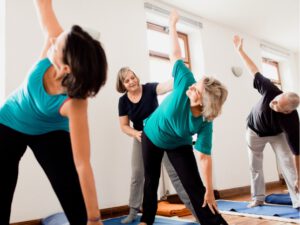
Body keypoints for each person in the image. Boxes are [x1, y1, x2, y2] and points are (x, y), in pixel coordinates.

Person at [0, 0, 108, 224]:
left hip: (49, 131)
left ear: (67, 68)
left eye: (57, 45)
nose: (53, 41)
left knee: (71, 189)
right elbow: (43, 5)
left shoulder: (75, 103)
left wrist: (95, 218)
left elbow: (82, 164)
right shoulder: (58, 40)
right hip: (10, 120)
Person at [138, 10, 228, 225]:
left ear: (204, 103)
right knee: (151, 180)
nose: (191, 87)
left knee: (195, 188)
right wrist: (173, 25)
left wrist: (209, 190)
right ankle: (146, 220)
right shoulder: (185, 81)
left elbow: (204, 157)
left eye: (196, 90)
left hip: (178, 143)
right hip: (152, 135)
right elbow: (175, 54)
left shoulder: (206, 121)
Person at [116, 67, 197, 223]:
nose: (131, 81)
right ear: (122, 85)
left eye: (133, 77)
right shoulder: (123, 101)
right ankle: (133, 211)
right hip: (141, 137)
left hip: (161, 134)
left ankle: (196, 211)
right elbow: (124, 125)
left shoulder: (149, 88)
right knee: (137, 174)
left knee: (175, 175)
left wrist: (182, 76)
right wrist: (135, 134)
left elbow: (167, 85)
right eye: (127, 80)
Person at [233, 35, 300, 208]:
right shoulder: (271, 90)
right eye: (277, 99)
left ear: (287, 111)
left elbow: (296, 154)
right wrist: (240, 50)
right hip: (254, 131)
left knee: (287, 163)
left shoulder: (292, 121)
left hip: (277, 134)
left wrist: (299, 177)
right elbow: (253, 70)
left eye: (278, 105)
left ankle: (298, 200)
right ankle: (258, 198)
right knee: (254, 165)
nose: (273, 103)